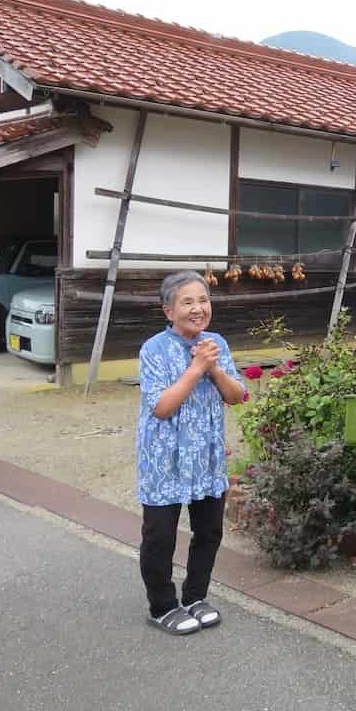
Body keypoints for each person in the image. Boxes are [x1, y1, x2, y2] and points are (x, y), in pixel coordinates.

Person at [136, 270, 246, 634]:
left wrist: (213, 367)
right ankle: (162, 605)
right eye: (188, 302)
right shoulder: (153, 349)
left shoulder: (216, 343)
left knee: (209, 531)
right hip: (164, 459)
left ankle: (196, 597)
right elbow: (162, 407)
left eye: (204, 300)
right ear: (168, 311)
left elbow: (235, 396)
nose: (199, 308)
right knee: (160, 536)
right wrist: (197, 367)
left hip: (206, 457)